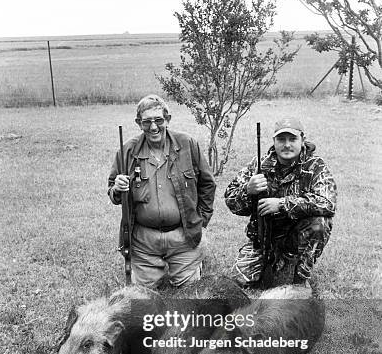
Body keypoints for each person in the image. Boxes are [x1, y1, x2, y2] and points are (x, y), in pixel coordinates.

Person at [108, 94, 216, 288]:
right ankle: (149, 268)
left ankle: (190, 262)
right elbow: (113, 191)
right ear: (138, 123)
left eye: (158, 120)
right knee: (142, 296)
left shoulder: (187, 144)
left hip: (183, 237)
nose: (154, 127)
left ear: (168, 119)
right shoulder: (127, 151)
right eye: (147, 122)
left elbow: (207, 184)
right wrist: (117, 187)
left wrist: (201, 221)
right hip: (144, 242)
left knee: (190, 291)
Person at [224, 117, 337, 287]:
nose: (287, 145)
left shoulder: (315, 165)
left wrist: (281, 204)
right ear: (274, 141)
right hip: (263, 240)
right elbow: (230, 200)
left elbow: (327, 203)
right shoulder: (259, 164)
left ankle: (300, 273)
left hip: (296, 237)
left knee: (320, 223)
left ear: (303, 140)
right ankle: (271, 261)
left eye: (292, 139)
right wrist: (248, 190)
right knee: (238, 281)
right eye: (281, 139)